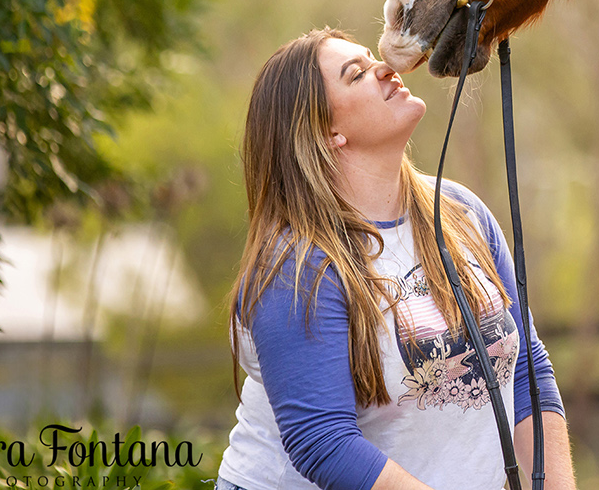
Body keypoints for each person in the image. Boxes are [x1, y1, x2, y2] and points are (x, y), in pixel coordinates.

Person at [216, 27, 575, 490]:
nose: (387, 68)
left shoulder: (461, 214)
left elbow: (526, 369)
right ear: (328, 133)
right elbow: (323, 442)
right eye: (357, 74)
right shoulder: (299, 267)